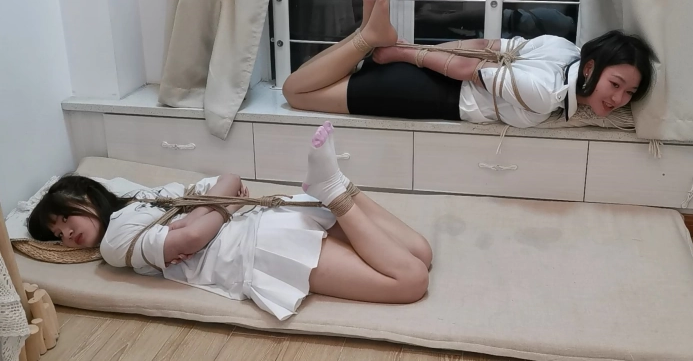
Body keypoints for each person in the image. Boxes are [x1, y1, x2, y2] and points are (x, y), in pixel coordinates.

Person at [26, 122, 432, 321]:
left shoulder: (145, 199)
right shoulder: (115, 244)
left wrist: (203, 217)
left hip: (262, 227)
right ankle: (335, 188)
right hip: (254, 246)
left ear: (84, 196)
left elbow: (229, 181)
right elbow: (197, 233)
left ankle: (335, 186)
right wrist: (216, 212)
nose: (66, 234)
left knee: (421, 254)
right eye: (57, 235)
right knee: (412, 277)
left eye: (64, 218)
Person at [282, 0, 657, 129]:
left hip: (434, 77)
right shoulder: (547, 93)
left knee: (327, 80)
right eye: (616, 84)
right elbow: (466, 67)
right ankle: (368, 36)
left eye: (629, 93)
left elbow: (487, 46)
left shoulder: (565, 50)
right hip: (433, 93)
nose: (619, 99)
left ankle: (369, 34)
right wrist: (402, 53)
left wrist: (410, 50)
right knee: (295, 92)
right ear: (591, 67)